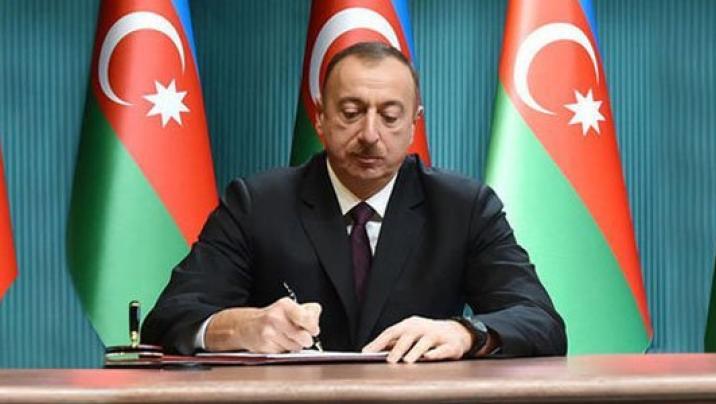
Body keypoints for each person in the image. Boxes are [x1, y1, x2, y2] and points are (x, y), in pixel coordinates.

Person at [142, 42, 566, 363]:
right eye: (351, 112)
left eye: (390, 116)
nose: (370, 134)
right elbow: (168, 319)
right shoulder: (257, 204)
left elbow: (540, 321)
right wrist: (240, 327)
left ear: (414, 124)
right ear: (320, 119)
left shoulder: (463, 207)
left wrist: (466, 333)